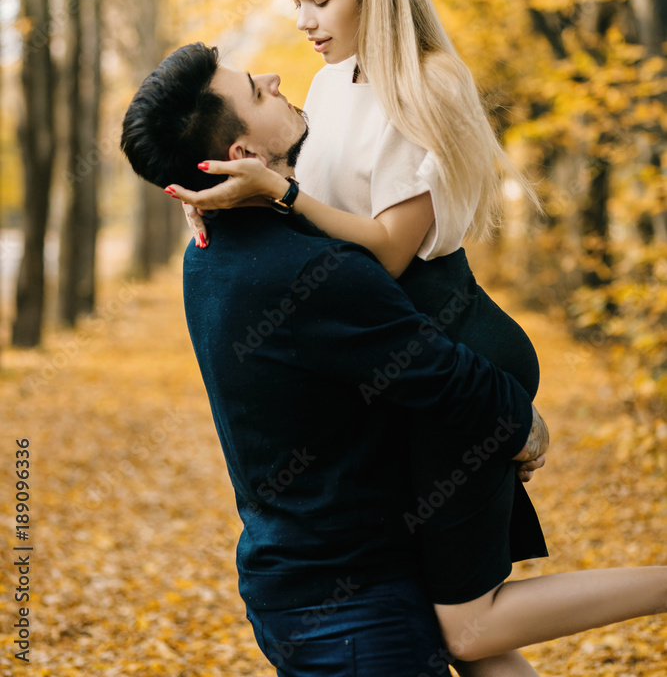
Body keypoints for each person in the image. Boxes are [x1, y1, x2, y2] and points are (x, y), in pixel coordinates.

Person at [165, 0, 667, 674]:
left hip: (448, 339)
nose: (302, 19)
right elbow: (303, 206)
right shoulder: (331, 84)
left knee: (466, 627)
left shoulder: (426, 83)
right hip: (398, 350)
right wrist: (234, 199)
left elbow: (388, 254)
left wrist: (281, 196)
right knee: (458, 634)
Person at [120, 41, 549, 677]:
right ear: (240, 157)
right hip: (356, 616)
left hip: (297, 584)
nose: (271, 76)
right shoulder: (313, 272)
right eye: (256, 92)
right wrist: (528, 432)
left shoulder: (206, 258)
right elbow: (446, 378)